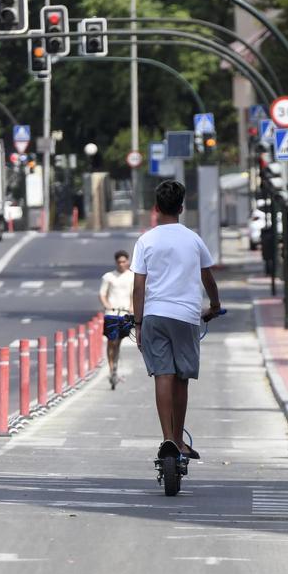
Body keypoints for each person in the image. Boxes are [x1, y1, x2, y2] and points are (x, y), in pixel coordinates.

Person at [131, 180, 222, 460]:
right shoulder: (193, 239)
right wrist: (215, 306)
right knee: (182, 378)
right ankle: (180, 440)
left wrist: (138, 323)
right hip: (186, 317)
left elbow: (138, 286)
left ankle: (167, 439)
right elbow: (208, 278)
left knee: (163, 375)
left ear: (156, 208)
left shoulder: (146, 240)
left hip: (154, 316)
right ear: (182, 208)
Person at [99, 249, 134, 389]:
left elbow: (134, 294)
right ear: (116, 262)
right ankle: (111, 366)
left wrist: (133, 307)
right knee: (111, 340)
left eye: (124, 261)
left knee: (118, 341)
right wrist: (107, 305)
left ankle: (115, 366)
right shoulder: (108, 277)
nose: (121, 264)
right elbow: (102, 294)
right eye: (119, 262)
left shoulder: (132, 276)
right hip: (112, 313)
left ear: (127, 262)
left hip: (126, 313)